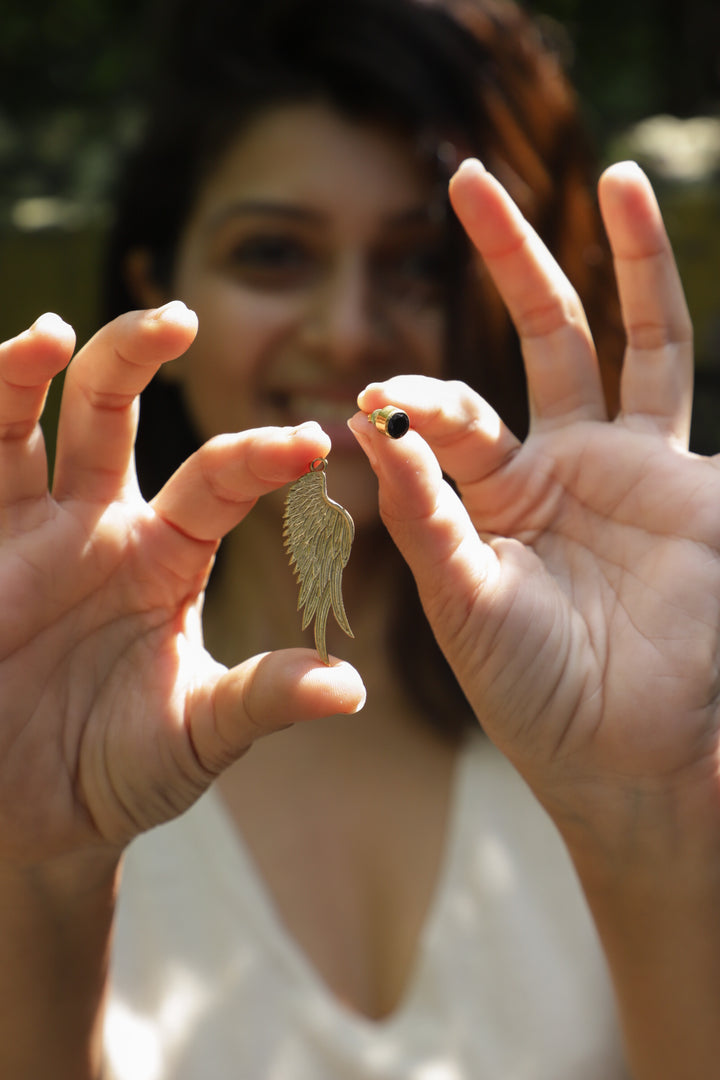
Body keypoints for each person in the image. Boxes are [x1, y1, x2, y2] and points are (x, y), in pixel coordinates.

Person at [1, 1, 718, 1078]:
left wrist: (654, 813)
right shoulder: (35, 721)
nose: (349, 327)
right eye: (275, 253)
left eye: (422, 265)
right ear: (157, 290)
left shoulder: (643, 715)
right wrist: (41, 881)